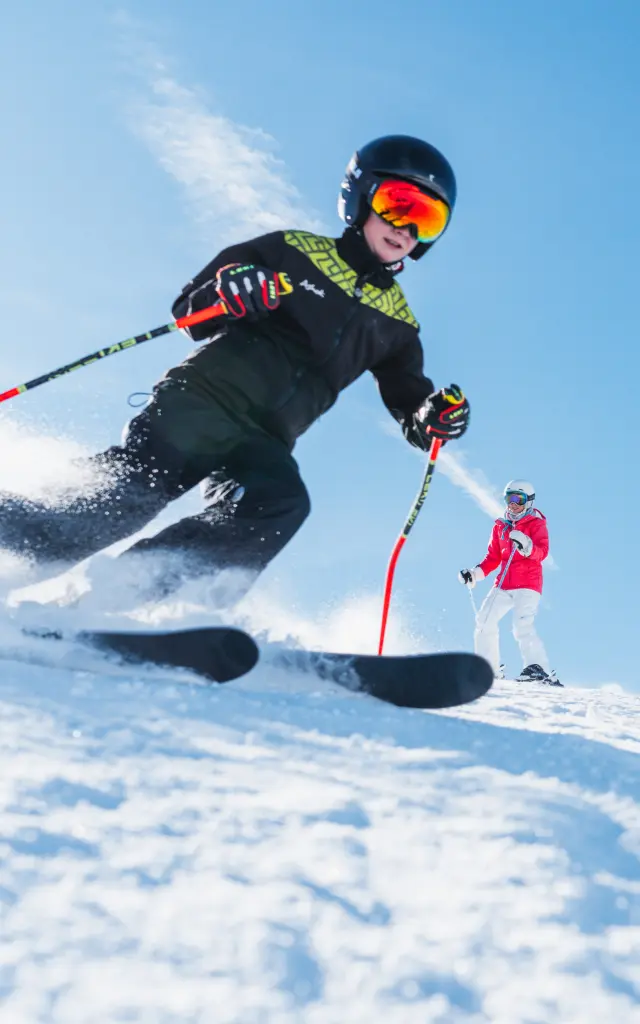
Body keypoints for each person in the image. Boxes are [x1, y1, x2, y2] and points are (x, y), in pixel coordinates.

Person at [0, 135, 470, 604]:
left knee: (277, 505)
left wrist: (433, 417)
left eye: (427, 218)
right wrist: (232, 291)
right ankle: (13, 538)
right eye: (397, 202)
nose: (406, 227)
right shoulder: (292, 250)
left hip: (263, 440)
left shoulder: (399, 324)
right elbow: (190, 309)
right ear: (360, 195)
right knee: (130, 497)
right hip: (200, 402)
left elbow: (411, 406)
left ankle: (119, 599)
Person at [459, 480, 560, 684]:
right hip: (503, 583)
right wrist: (475, 574)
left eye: (518, 499)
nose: (513, 503)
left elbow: (542, 552)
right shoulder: (500, 527)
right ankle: (488, 667)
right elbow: (492, 558)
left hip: (528, 583)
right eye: (509, 498)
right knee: (484, 620)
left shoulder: (536, 523)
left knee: (521, 625)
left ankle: (537, 668)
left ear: (528, 501)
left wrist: (526, 545)